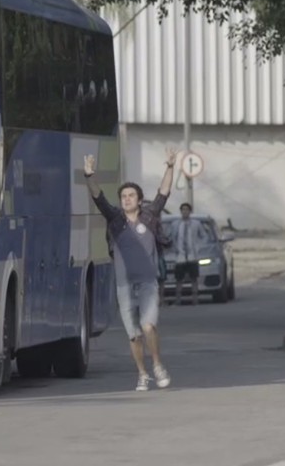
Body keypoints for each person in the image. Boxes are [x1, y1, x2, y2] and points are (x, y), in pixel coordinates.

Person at [84, 147, 178, 391]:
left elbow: (164, 193)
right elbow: (98, 198)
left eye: (131, 195)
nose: (126, 199)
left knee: (148, 327)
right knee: (134, 335)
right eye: (123, 196)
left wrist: (170, 166)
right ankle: (142, 373)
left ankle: (157, 365)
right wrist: (89, 176)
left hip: (147, 283)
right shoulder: (115, 220)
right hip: (124, 286)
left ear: (139, 199)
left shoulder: (149, 216)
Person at [173, 203, 204, 306]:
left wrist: (198, 248)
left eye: (187, 210)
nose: (185, 212)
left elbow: (203, 236)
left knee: (194, 278)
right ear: (181, 211)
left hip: (192, 255)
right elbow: (172, 237)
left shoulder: (196, 224)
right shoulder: (176, 224)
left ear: (190, 212)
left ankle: (195, 299)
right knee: (179, 279)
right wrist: (175, 249)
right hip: (180, 256)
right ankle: (178, 299)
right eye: (183, 210)